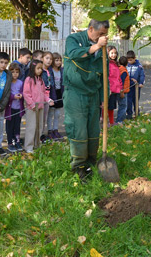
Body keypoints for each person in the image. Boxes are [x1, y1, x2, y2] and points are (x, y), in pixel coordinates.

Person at [63, 19, 109, 182]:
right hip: (76, 93)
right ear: (91, 29)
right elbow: (75, 54)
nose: (104, 37)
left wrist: (104, 97)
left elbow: (104, 73)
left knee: (93, 130)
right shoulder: (73, 40)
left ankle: (91, 162)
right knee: (79, 130)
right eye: (101, 33)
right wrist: (96, 46)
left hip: (93, 94)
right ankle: (79, 167)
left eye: (105, 34)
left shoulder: (103, 49)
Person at [23, 60, 53, 153]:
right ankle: (28, 146)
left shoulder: (40, 80)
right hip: (32, 108)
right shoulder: (29, 79)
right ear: (33, 68)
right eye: (38, 68)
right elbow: (26, 93)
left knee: (39, 127)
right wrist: (32, 104)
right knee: (31, 127)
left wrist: (48, 100)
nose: (40, 70)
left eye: (41, 68)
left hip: (40, 107)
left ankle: (36, 144)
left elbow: (43, 93)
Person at [5, 62, 24, 152]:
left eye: (17, 72)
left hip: (18, 109)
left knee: (17, 126)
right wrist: (13, 97)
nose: (15, 74)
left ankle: (17, 141)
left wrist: (21, 95)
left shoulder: (21, 82)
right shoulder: (8, 83)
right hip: (10, 109)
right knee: (10, 127)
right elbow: (6, 95)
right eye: (13, 72)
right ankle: (10, 143)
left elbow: (24, 92)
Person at [47, 52, 64, 140]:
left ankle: (55, 129)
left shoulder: (62, 70)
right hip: (52, 93)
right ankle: (49, 131)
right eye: (56, 60)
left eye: (60, 60)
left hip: (59, 93)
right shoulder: (50, 70)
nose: (58, 62)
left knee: (57, 114)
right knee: (51, 113)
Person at [125, 50, 145, 119]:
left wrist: (141, 83)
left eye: (131, 60)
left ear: (134, 58)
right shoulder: (126, 65)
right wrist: (130, 79)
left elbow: (142, 75)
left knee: (136, 99)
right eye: (128, 60)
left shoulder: (139, 66)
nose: (129, 61)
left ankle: (137, 112)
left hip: (136, 86)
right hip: (128, 86)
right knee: (128, 100)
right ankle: (129, 113)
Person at [40, 51, 55, 142]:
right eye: (47, 58)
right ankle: (38, 135)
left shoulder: (50, 70)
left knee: (44, 117)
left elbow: (51, 83)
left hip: (48, 96)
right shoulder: (40, 70)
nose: (49, 61)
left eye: (50, 59)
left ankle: (42, 134)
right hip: (41, 96)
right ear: (42, 59)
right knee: (40, 117)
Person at [106, 46, 122, 127]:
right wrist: (108, 88)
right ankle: (105, 122)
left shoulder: (115, 64)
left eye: (115, 53)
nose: (114, 55)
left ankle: (111, 122)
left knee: (112, 106)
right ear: (108, 53)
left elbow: (118, 77)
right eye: (112, 53)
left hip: (115, 89)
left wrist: (120, 87)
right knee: (105, 106)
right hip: (109, 89)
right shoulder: (107, 64)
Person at [116, 56, 130, 125]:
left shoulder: (119, 69)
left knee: (121, 106)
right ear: (127, 64)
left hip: (120, 91)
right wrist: (121, 91)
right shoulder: (124, 71)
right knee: (123, 106)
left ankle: (120, 120)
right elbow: (121, 82)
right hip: (123, 92)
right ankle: (120, 121)